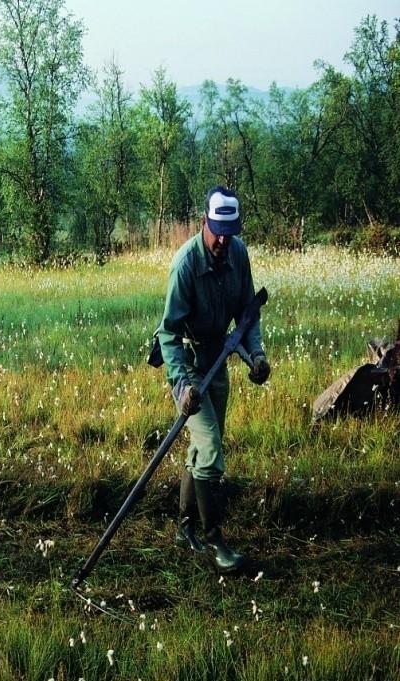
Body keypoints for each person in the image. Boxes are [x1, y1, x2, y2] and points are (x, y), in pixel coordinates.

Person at [155, 186, 270, 573]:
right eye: (217, 229)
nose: (223, 239)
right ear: (204, 221)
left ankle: (185, 527)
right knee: (211, 452)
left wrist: (256, 355)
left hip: (218, 359)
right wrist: (183, 384)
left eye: (230, 231)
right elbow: (167, 333)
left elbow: (247, 315)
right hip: (188, 363)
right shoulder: (185, 264)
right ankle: (214, 540)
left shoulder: (238, 254)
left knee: (203, 450)